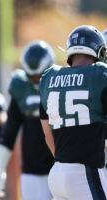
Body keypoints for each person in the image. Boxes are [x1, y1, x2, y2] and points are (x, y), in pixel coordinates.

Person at [39, 25, 107, 200]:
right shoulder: (99, 75)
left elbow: (48, 134)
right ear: (99, 52)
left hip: (57, 173)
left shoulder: (49, 78)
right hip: (85, 173)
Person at [0, 40, 55, 200]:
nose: (36, 82)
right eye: (32, 77)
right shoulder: (21, 87)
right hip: (32, 170)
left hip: (60, 165)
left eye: (39, 76)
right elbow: (9, 132)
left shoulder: (60, 84)